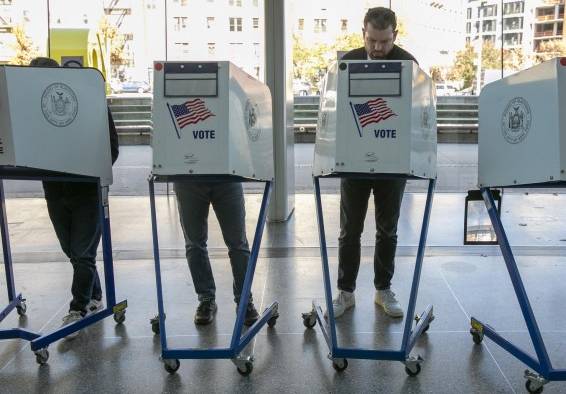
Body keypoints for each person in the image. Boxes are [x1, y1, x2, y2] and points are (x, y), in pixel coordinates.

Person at [330, 7, 418, 319]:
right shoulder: (347, 63)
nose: (378, 48)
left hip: (392, 162)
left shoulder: (408, 64)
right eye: (372, 41)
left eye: (384, 41)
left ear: (395, 35)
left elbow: (415, 112)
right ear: (363, 34)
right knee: (349, 230)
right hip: (355, 159)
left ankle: (383, 290)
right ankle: (346, 293)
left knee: (388, 230)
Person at [29, 57, 119, 338]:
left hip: (85, 191)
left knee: (82, 253)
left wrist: (89, 168)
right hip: (55, 190)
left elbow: (112, 148)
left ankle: (77, 309)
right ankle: (95, 295)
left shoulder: (90, 103)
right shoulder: (33, 111)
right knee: (73, 252)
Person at [174, 180, 259, 326]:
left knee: (238, 245)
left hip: (227, 178)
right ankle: (206, 299)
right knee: (194, 245)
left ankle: (244, 300)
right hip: (187, 179)